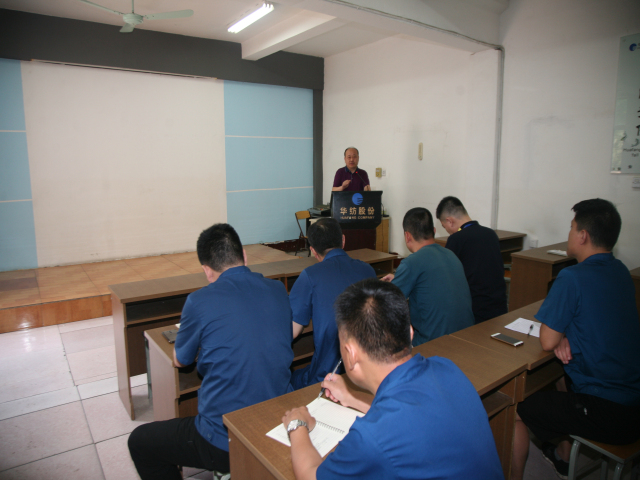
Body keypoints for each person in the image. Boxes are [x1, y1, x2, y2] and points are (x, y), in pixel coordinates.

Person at [281, 279, 504, 480]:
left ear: (350, 354)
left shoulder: (371, 437)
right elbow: (413, 418)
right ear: (410, 332)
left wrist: (298, 425)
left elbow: (311, 475)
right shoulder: (446, 368)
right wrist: (352, 398)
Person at [128, 224, 293, 480]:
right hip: (276, 420)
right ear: (244, 256)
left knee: (140, 442)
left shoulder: (198, 301)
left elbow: (180, 360)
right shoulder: (278, 289)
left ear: (207, 270)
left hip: (225, 438)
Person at [511, 199, 640, 480]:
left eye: (571, 228)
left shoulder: (572, 277)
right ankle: (564, 454)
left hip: (607, 410)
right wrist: (566, 332)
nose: (568, 234)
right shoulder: (620, 270)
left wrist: (559, 333)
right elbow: (595, 317)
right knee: (560, 375)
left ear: (583, 235)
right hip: (634, 402)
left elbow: (547, 340)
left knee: (513, 409)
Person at [289, 217, 376, 390]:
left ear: (313, 251)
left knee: (291, 379)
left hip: (327, 375)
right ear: (343, 240)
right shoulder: (368, 270)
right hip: (367, 370)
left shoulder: (310, 275)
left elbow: (293, 330)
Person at [381, 207, 474, 346]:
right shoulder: (451, 255)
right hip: (466, 338)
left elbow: (385, 304)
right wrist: (399, 278)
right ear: (434, 231)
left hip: (432, 344)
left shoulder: (411, 263)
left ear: (407, 236)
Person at [435, 196, 507, 323]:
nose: (447, 231)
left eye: (444, 226)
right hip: (499, 306)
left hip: (475, 312)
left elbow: (447, 279)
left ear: (449, 221)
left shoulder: (456, 239)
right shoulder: (490, 234)